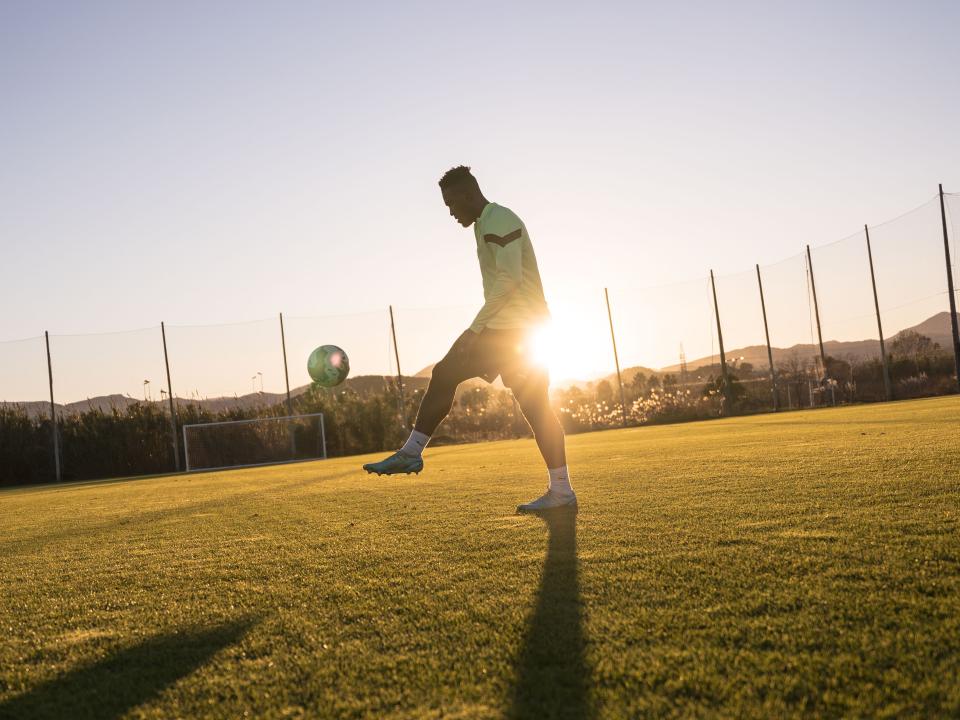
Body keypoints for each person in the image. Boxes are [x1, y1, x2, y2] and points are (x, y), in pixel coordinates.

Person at [363, 166, 576, 513]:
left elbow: (508, 281)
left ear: (467, 193)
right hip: (522, 330)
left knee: (447, 373)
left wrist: (474, 329)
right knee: (535, 408)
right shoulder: (484, 224)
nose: (450, 213)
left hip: (512, 331)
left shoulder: (499, 218)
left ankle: (411, 453)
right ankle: (562, 491)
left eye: (450, 204)